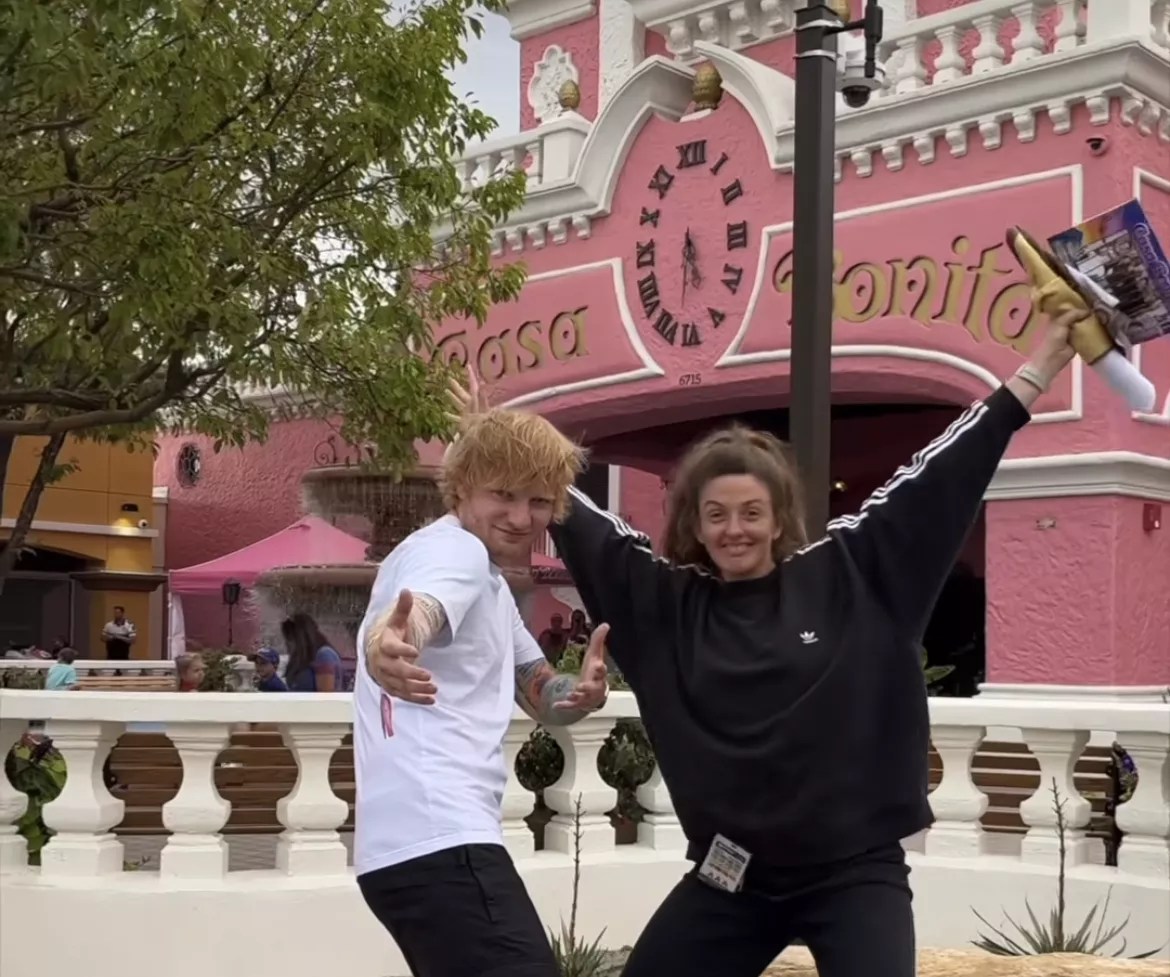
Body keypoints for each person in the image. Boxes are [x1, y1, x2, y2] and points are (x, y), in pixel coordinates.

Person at [378, 310, 1081, 977]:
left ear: (779, 518)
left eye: (751, 512)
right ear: (695, 521)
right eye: (716, 514)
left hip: (854, 873)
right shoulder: (664, 607)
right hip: (732, 876)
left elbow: (943, 474)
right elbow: (560, 496)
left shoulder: (854, 575)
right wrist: (487, 434)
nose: (733, 529)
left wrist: (1043, 363)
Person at [358, 407, 612, 977]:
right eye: (505, 494)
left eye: (540, 501)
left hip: (416, 849)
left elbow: (539, 689)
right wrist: (390, 643)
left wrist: (581, 692)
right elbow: (419, 611)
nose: (523, 518)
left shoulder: (490, 586)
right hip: (442, 839)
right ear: (463, 487)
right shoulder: (456, 554)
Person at [280, 613, 342, 692]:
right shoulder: (299, 660)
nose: (287, 643)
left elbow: (326, 697)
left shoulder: (323, 655)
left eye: (290, 639)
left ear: (301, 638)